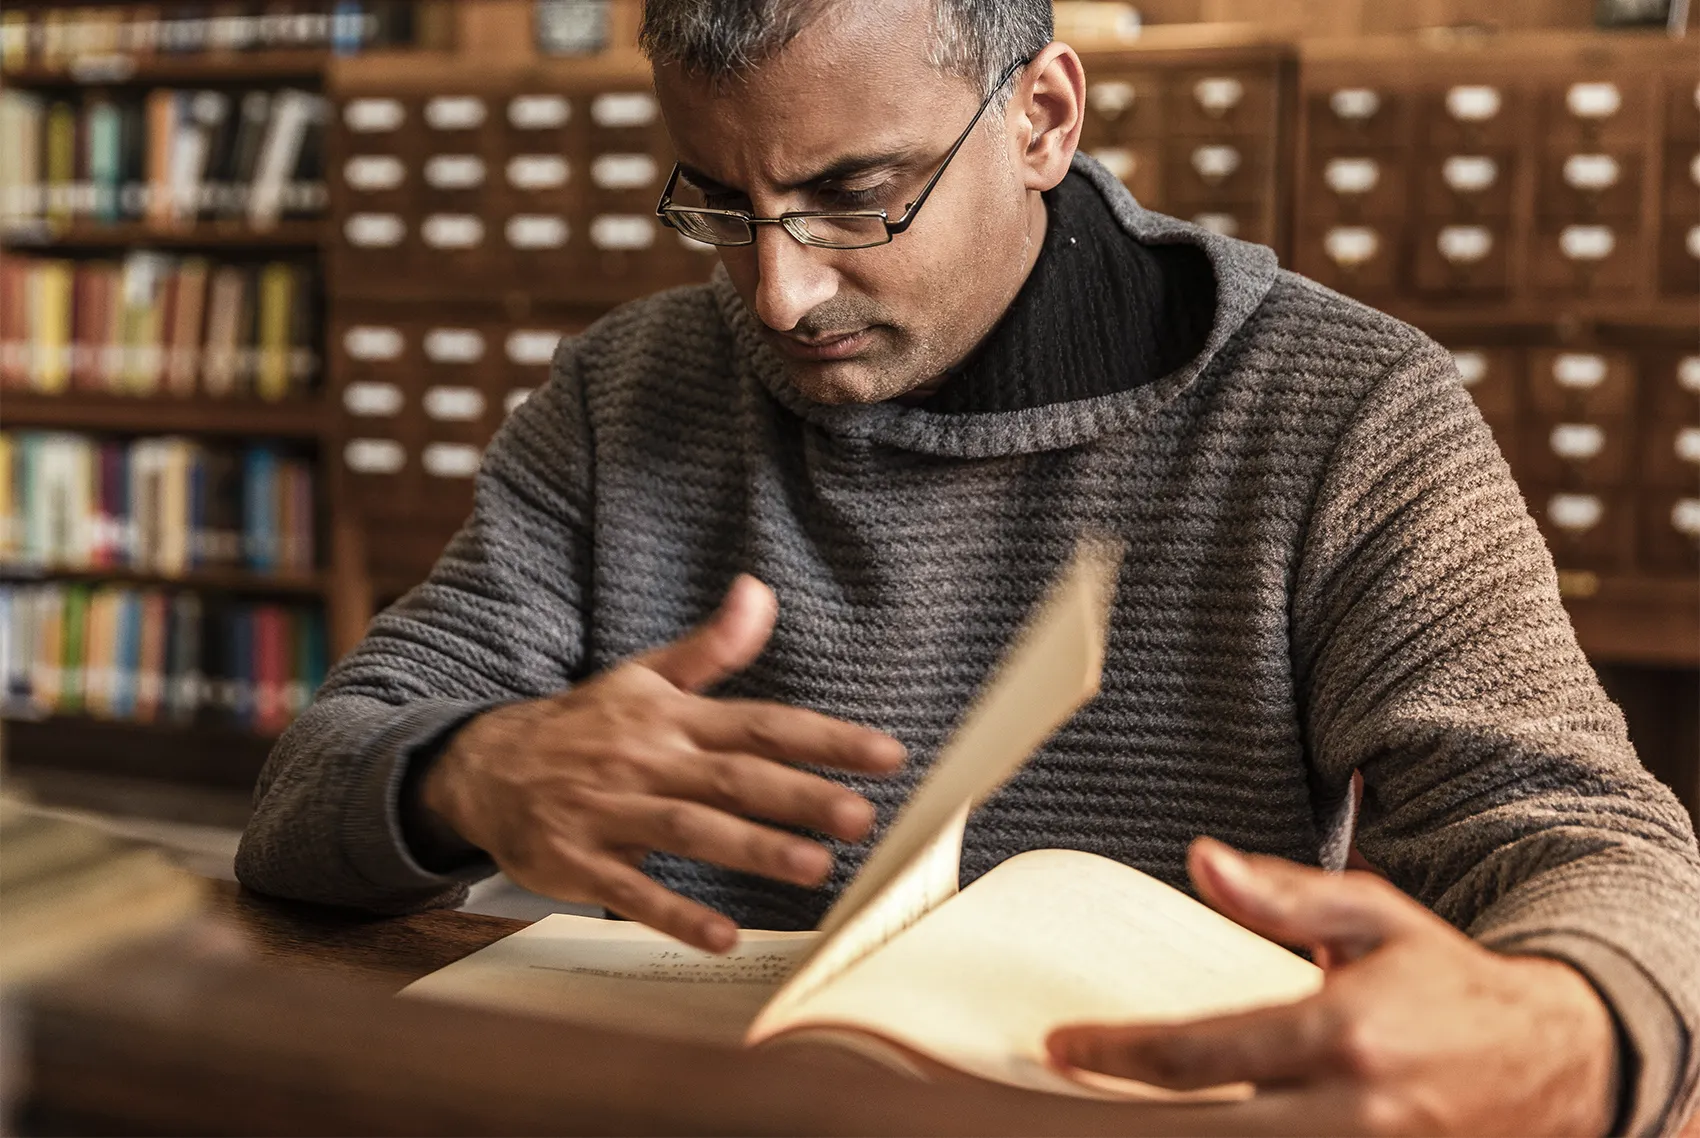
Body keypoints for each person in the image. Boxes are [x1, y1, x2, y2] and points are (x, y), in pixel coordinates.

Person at [236, 1, 1700, 1133]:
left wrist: (1568, 1027)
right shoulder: (625, 395)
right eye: (722, 202)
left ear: (1044, 118)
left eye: (852, 192)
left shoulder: (1339, 410)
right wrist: (466, 773)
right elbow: (311, 788)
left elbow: (1593, 838)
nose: (779, 288)